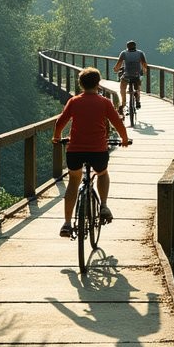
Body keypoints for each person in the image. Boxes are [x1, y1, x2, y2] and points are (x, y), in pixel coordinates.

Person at [52, 67, 130, 238]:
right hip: (98, 150)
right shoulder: (104, 103)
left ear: (80, 84)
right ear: (98, 84)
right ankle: (103, 205)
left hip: (75, 151)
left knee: (73, 181)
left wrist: (57, 138)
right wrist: (124, 139)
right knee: (102, 174)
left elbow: (60, 123)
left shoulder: (74, 102)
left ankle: (66, 224)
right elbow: (118, 124)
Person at [114, 40, 148, 116]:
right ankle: (138, 100)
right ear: (135, 46)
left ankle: (123, 104)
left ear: (127, 47)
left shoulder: (124, 53)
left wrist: (116, 69)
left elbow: (119, 64)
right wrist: (144, 72)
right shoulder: (140, 53)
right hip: (137, 75)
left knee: (122, 88)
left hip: (127, 75)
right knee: (138, 86)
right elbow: (144, 64)